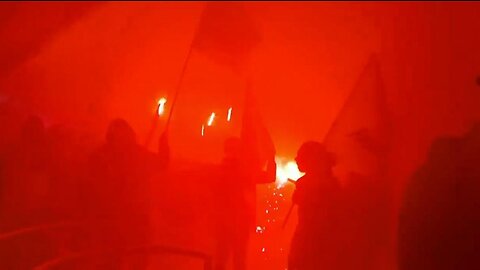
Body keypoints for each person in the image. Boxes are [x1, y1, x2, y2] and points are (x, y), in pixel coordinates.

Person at [82, 118, 168, 269]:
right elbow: (92, 185)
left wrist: (164, 145)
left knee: (137, 259)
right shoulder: (102, 156)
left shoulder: (137, 154)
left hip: (135, 219)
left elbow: (161, 163)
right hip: (111, 219)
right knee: (110, 261)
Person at [288, 141, 341, 270]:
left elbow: (300, 201)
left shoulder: (311, 183)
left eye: (300, 156)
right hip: (321, 241)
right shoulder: (331, 181)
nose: (296, 160)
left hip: (311, 240)